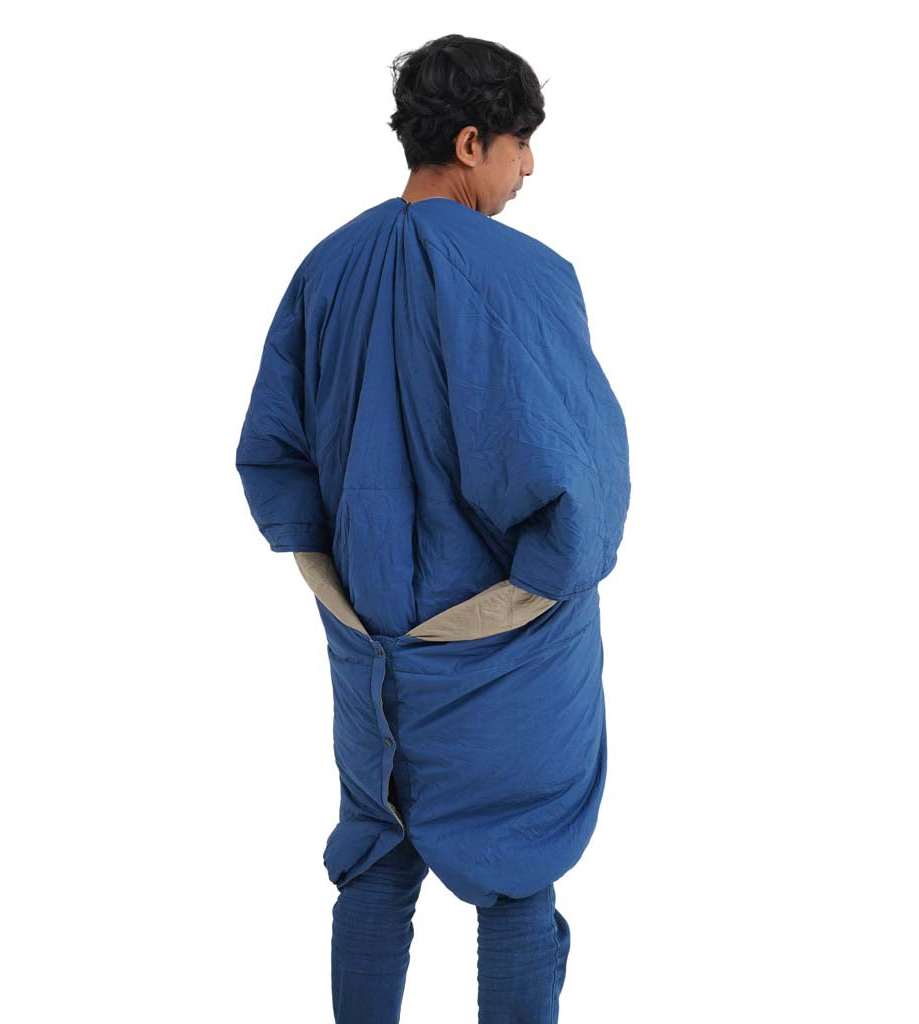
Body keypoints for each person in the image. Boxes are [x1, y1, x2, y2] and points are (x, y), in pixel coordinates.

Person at [235, 33, 631, 1023]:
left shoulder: (326, 268)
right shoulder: (525, 276)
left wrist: (348, 588)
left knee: (376, 862)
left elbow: (272, 454)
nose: (528, 166)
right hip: (509, 650)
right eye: (520, 142)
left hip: (368, 645)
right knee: (518, 878)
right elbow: (578, 478)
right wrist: (535, 588)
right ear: (469, 144)